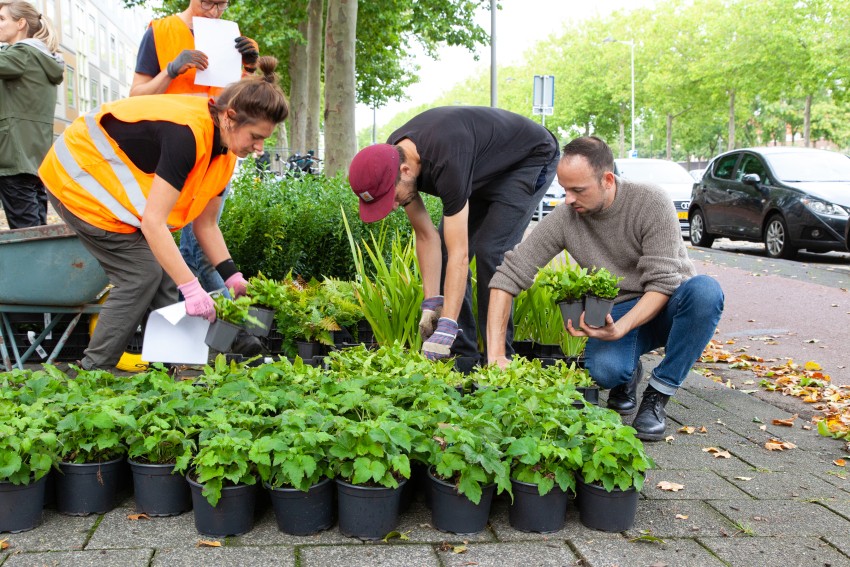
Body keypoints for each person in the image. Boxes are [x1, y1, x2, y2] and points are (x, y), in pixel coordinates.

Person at [38, 56, 289, 371]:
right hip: (78, 180)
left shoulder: (226, 150)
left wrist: (233, 277)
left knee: (170, 277)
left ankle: (177, 368)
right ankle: (93, 371)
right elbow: (154, 223)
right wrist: (192, 287)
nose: (260, 148)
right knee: (141, 276)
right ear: (230, 117)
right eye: (256, 137)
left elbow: (207, 224)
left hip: (113, 193)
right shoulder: (185, 134)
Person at [486, 136, 724, 441]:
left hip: (669, 304)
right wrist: (495, 353)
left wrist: (622, 328)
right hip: (617, 307)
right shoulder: (566, 217)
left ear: (607, 180)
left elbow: (663, 282)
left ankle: (658, 394)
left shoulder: (650, 202)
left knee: (706, 292)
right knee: (605, 372)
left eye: (578, 190)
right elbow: (510, 274)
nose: (568, 199)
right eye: (564, 190)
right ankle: (627, 373)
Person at [348, 106, 559, 368]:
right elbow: (426, 236)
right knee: (447, 248)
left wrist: (447, 322)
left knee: (490, 250)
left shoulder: (447, 160)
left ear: (405, 171)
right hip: (482, 168)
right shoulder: (390, 159)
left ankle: (498, 359)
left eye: (390, 199)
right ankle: (463, 354)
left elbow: (461, 256)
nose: (391, 207)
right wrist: (432, 302)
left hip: (528, 157)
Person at [130, 0, 260, 296]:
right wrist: (171, 71)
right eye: (208, 3)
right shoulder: (160, 32)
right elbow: (135, 97)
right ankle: (227, 328)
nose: (214, 11)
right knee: (188, 252)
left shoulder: (234, 41)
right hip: (170, 157)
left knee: (200, 248)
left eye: (222, 4)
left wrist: (250, 69)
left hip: (216, 158)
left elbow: (250, 107)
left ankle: (218, 327)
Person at [0, 1, 63, 229]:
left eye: (2, 19)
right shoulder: (40, 57)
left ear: (21, 24)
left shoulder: (21, 55)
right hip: (34, 158)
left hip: (14, 157)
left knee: (27, 233)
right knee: (36, 230)